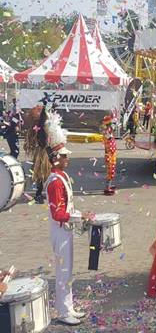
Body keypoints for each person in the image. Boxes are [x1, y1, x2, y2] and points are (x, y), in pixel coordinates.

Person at [44, 110, 92, 325]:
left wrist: (79, 215)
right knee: (63, 271)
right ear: (56, 159)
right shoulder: (55, 181)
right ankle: (63, 312)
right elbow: (57, 214)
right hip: (60, 230)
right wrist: (80, 217)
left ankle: (69, 307)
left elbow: (67, 207)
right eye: (64, 156)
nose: (67, 158)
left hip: (66, 230)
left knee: (68, 270)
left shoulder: (62, 176)